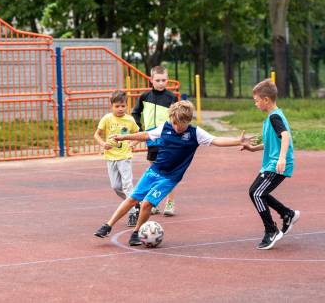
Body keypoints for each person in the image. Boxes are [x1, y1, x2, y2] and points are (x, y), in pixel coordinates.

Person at [94, 100, 255, 246]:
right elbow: (145, 135)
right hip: (154, 170)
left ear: (188, 121)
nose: (177, 126)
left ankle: (136, 233)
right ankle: (107, 226)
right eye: (174, 122)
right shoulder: (166, 127)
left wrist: (237, 141)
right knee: (132, 199)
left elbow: (216, 140)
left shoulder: (195, 133)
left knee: (147, 204)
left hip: (169, 178)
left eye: (180, 124)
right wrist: (124, 137)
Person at [240, 79, 300, 250]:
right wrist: (253, 149)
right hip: (272, 163)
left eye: (256, 100)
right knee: (258, 192)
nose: (256, 104)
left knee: (257, 193)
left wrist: (281, 159)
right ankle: (287, 213)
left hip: (277, 164)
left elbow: (286, 136)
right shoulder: (272, 117)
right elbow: (272, 142)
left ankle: (271, 230)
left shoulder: (274, 117)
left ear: (266, 99)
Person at [132, 66, 178, 216]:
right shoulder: (145, 97)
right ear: (151, 80)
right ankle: (154, 203)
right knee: (155, 173)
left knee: (168, 173)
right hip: (152, 140)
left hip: (167, 139)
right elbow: (135, 112)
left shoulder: (172, 97)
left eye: (164, 80)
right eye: (157, 80)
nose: (161, 83)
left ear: (167, 80)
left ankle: (170, 202)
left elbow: (177, 117)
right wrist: (140, 128)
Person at [94, 90, 140, 227]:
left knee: (127, 185)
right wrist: (103, 144)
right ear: (111, 106)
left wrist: (133, 143)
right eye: (117, 106)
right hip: (111, 157)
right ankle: (135, 202)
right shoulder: (107, 119)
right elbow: (97, 135)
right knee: (116, 186)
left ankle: (132, 213)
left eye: (123, 106)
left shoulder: (130, 120)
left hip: (124, 157)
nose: (120, 109)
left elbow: (138, 134)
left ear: (126, 106)